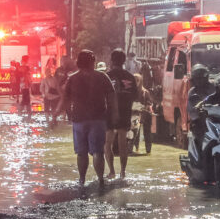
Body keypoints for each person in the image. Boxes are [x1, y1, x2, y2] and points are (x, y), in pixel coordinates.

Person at [57, 50, 117, 187]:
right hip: (98, 119)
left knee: (81, 152)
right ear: (93, 62)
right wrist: (113, 115)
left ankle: (82, 179)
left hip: (79, 120)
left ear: (78, 62)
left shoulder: (72, 78)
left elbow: (65, 100)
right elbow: (112, 98)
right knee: (98, 152)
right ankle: (101, 179)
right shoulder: (102, 77)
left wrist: (60, 115)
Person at [105, 49, 137, 179]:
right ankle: (123, 172)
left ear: (112, 61)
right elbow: (135, 95)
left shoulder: (106, 76)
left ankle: (111, 171)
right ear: (124, 61)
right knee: (123, 141)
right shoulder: (130, 77)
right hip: (125, 111)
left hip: (109, 111)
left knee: (107, 142)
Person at [187, 64, 215, 147]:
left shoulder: (214, 87)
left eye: (201, 78)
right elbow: (191, 110)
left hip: (216, 118)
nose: (199, 81)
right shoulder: (192, 92)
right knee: (198, 130)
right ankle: (200, 153)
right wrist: (198, 112)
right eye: (197, 79)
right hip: (201, 120)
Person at [133, 73, 153, 154]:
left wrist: (145, 108)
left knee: (147, 132)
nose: (136, 82)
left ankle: (148, 151)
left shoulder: (145, 92)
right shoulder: (131, 92)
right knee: (135, 131)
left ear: (140, 81)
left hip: (146, 114)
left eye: (137, 80)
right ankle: (136, 149)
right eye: (134, 80)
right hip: (135, 114)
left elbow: (149, 103)